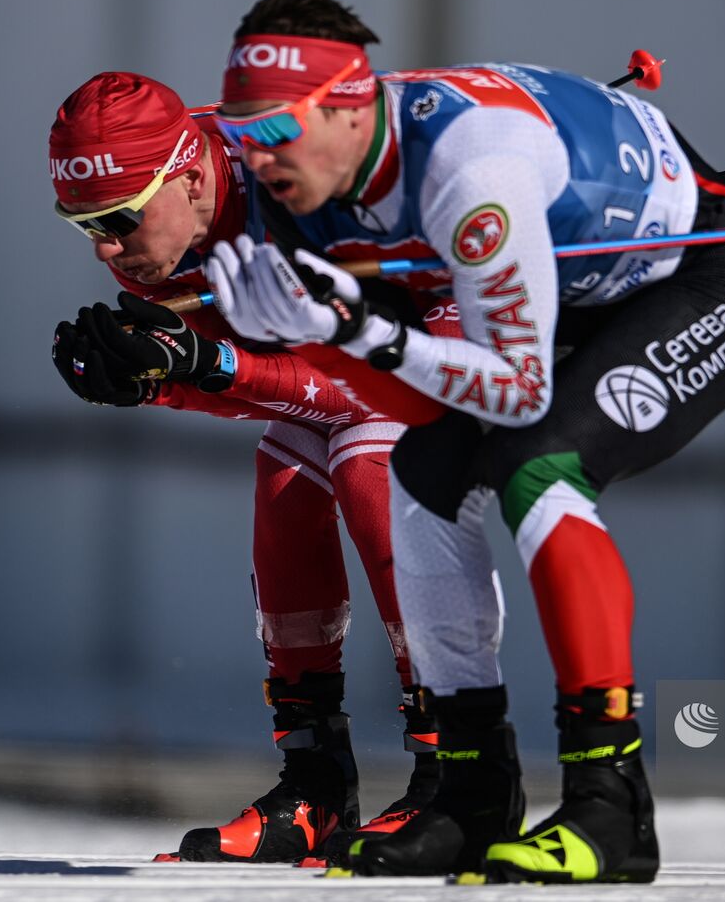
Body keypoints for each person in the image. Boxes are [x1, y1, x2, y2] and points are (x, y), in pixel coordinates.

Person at [204, 0, 725, 884]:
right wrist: (314, 333)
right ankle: (473, 791)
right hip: (590, 296)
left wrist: (359, 329)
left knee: (540, 467)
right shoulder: (307, 178)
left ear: (349, 105)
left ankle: (613, 807)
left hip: (711, 275)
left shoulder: (468, 171)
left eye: (273, 130)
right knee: (423, 473)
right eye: (240, 133)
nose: (256, 157)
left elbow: (517, 390)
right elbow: (410, 402)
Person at [46, 71, 499, 866]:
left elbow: (364, 387)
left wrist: (202, 361)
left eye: (118, 220)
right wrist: (159, 379)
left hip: (470, 307)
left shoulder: (292, 194)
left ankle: (459, 772)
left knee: (367, 462)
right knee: (290, 470)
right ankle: (316, 778)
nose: (106, 249)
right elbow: (279, 385)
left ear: (189, 177)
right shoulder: (170, 221)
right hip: (375, 340)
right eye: (82, 224)